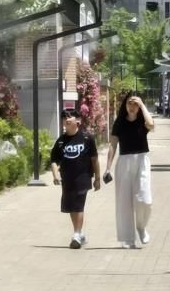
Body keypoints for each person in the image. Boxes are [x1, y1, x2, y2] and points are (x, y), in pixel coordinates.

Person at [104, 92, 155, 248]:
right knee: (124, 202)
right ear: (125, 105)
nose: (132, 107)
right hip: (124, 162)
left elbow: (151, 125)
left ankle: (141, 226)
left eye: (135, 104)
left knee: (144, 199)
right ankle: (127, 238)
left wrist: (142, 105)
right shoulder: (119, 122)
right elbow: (113, 144)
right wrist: (108, 168)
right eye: (129, 103)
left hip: (142, 161)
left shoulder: (142, 121)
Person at [50, 109, 101, 249]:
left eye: (70, 117)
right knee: (71, 207)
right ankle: (79, 233)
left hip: (83, 177)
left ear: (78, 121)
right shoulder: (61, 141)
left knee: (78, 204)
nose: (67, 119)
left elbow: (94, 159)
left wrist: (97, 178)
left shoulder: (87, 138)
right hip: (67, 179)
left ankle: (76, 235)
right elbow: (54, 160)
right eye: (64, 117)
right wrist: (55, 175)